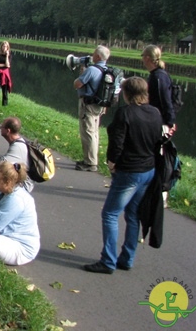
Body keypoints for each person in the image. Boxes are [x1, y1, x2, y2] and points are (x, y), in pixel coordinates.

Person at [84, 77, 162, 274]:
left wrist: (112, 162)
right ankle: (127, 258)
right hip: (148, 170)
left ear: (127, 93)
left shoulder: (125, 113)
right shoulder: (154, 112)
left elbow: (117, 142)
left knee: (110, 214)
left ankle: (108, 260)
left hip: (129, 171)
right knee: (133, 215)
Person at [73, 45, 110, 173]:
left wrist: (82, 73)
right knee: (94, 132)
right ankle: (92, 160)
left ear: (98, 56)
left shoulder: (92, 70)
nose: (92, 56)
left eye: (94, 54)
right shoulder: (107, 70)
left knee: (87, 132)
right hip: (99, 105)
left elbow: (77, 84)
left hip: (88, 105)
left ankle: (90, 162)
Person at [142, 45, 176, 132]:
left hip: (159, 120)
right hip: (153, 117)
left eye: (143, 56)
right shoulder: (154, 75)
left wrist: (170, 122)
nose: (142, 59)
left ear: (147, 58)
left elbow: (165, 100)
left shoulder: (158, 77)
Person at [0, 117, 34, 193]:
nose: (0, 127)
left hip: (22, 185)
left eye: (2, 126)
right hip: (19, 180)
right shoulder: (18, 142)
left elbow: (2, 164)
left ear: (8, 131)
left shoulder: (17, 147)